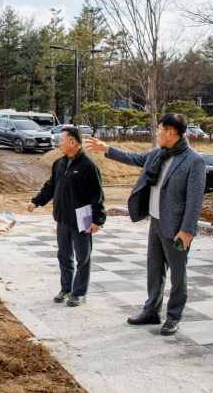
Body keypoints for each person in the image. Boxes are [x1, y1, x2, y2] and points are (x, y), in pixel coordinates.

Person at [84, 113, 205, 335]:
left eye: (159, 129)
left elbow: (195, 200)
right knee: (155, 270)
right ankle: (151, 311)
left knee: (178, 275)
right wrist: (106, 148)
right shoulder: (159, 154)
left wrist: (187, 230)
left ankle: (173, 317)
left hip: (177, 228)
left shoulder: (193, 161)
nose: (156, 133)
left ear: (171, 132)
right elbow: (134, 159)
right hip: (156, 221)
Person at [27, 126, 106, 307]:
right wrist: (36, 201)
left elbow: (97, 196)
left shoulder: (88, 166)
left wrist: (97, 220)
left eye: (61, 140)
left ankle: (79, 292)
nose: (58, 143)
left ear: (73, 142)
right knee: (64, 256)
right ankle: (66, 289)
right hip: (62, 218)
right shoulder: (59, 163)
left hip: (82, 219)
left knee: (83, 258)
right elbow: (50, 186)